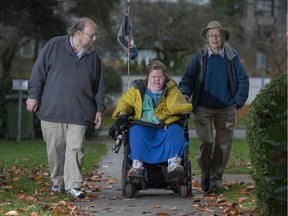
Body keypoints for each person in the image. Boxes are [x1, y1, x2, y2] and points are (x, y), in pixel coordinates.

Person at [26, 17, 105, 198]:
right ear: (78, 33)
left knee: (75, 149)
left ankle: (73, 185)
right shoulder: (54, 45)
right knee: (55, 150)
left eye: (95, 36)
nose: (94, 39)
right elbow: (38, 72)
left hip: (80, 111)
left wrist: (100, 108)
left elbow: (99, 85)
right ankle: (58, 181)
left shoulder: (93, 56)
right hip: (52, 110)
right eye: (91, 35)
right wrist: (33, 95)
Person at [179, 21, 249, 192]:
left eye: (217, 35)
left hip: (227, 109)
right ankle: (205, 174)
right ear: (207, 38)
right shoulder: (200, 56)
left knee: (223, 145)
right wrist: (185, 94)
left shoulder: (232, 57)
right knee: (206, 142)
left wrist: (237, 103)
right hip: (203, 108)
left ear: (223, 36)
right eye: (211, 35)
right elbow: (187, 79)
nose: (214, 38)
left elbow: (243, 80)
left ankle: (216, 179)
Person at [112, 60, 192, 178]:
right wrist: (122, 113)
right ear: (147, 77)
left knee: (176, 130)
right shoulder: (137, 90)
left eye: (160, 77)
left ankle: (174, 163)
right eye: (153, 77)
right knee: (136, 131)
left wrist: (185, 107)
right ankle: (137, 165)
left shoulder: (172, 90)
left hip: (166, 124)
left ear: (165, 77)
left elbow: (178, 105)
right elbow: (125, 103)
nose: (157, 80)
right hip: (144, 124)